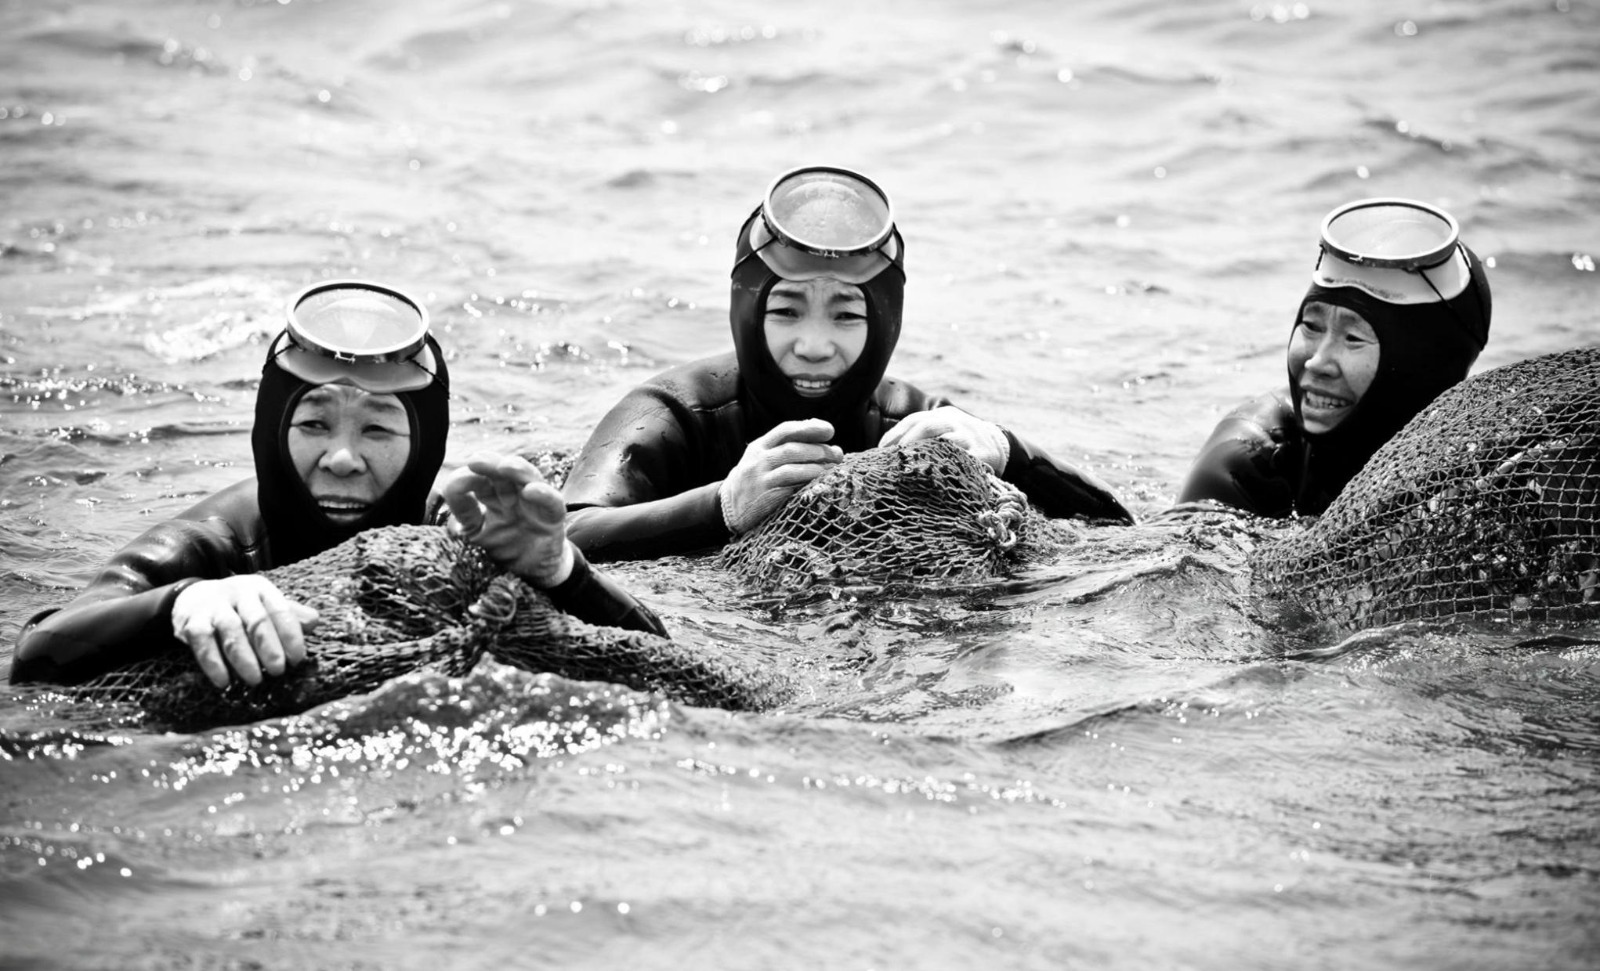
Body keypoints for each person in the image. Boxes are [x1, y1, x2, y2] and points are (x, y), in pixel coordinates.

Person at [10, 280, 664, 689]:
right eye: (315, 422)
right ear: (271, 432)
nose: (343, 458)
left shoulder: (463, 522)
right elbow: (37, 649)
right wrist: (180, 603)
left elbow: (655, 656)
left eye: (378, 432)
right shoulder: (215, 543)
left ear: (425, 446)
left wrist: (557, 567)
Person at [561, 165, 1134, 561]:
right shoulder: (674, 415)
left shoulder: (919, 426)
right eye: (786, 310)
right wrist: (724, 506)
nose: (814, 344)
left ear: (884, 322)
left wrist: (1009, 453)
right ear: (747, 311)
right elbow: (566, 532)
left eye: (846, 316)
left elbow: (1123, 535)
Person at [1174, 197, 1493, 518]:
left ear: (1422, 365)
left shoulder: (1489, 465)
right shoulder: (1243, 465)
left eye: (1352, 338)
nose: (1316, 362)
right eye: (1311, 326)